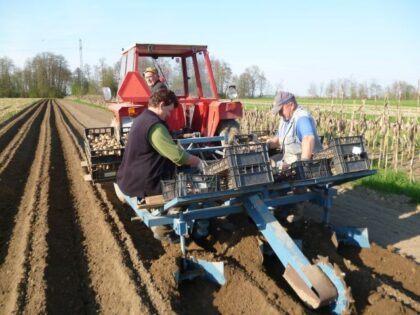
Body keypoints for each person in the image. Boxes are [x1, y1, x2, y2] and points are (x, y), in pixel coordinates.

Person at [116, 89, 204, 242]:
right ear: (161, 105)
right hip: (145, 182)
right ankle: (164, 228)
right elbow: (177, 156)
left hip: (131, 177)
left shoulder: (142, 118)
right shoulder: (154, 126)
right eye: (169, 111)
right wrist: (197, 161)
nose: (169, 115)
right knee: (188, 190)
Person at [266, 91, 323, 222]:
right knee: (267, 164)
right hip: (289, 157)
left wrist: (303, 164)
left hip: (305, 160)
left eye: (281, 110)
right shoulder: (285, 119)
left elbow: (308, 139)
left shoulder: (301, 118)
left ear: (290, 105)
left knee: (284, 170)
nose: (279, 113)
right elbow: (279, 140)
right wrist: (265, 145)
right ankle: (279, 203)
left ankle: (298, 211)